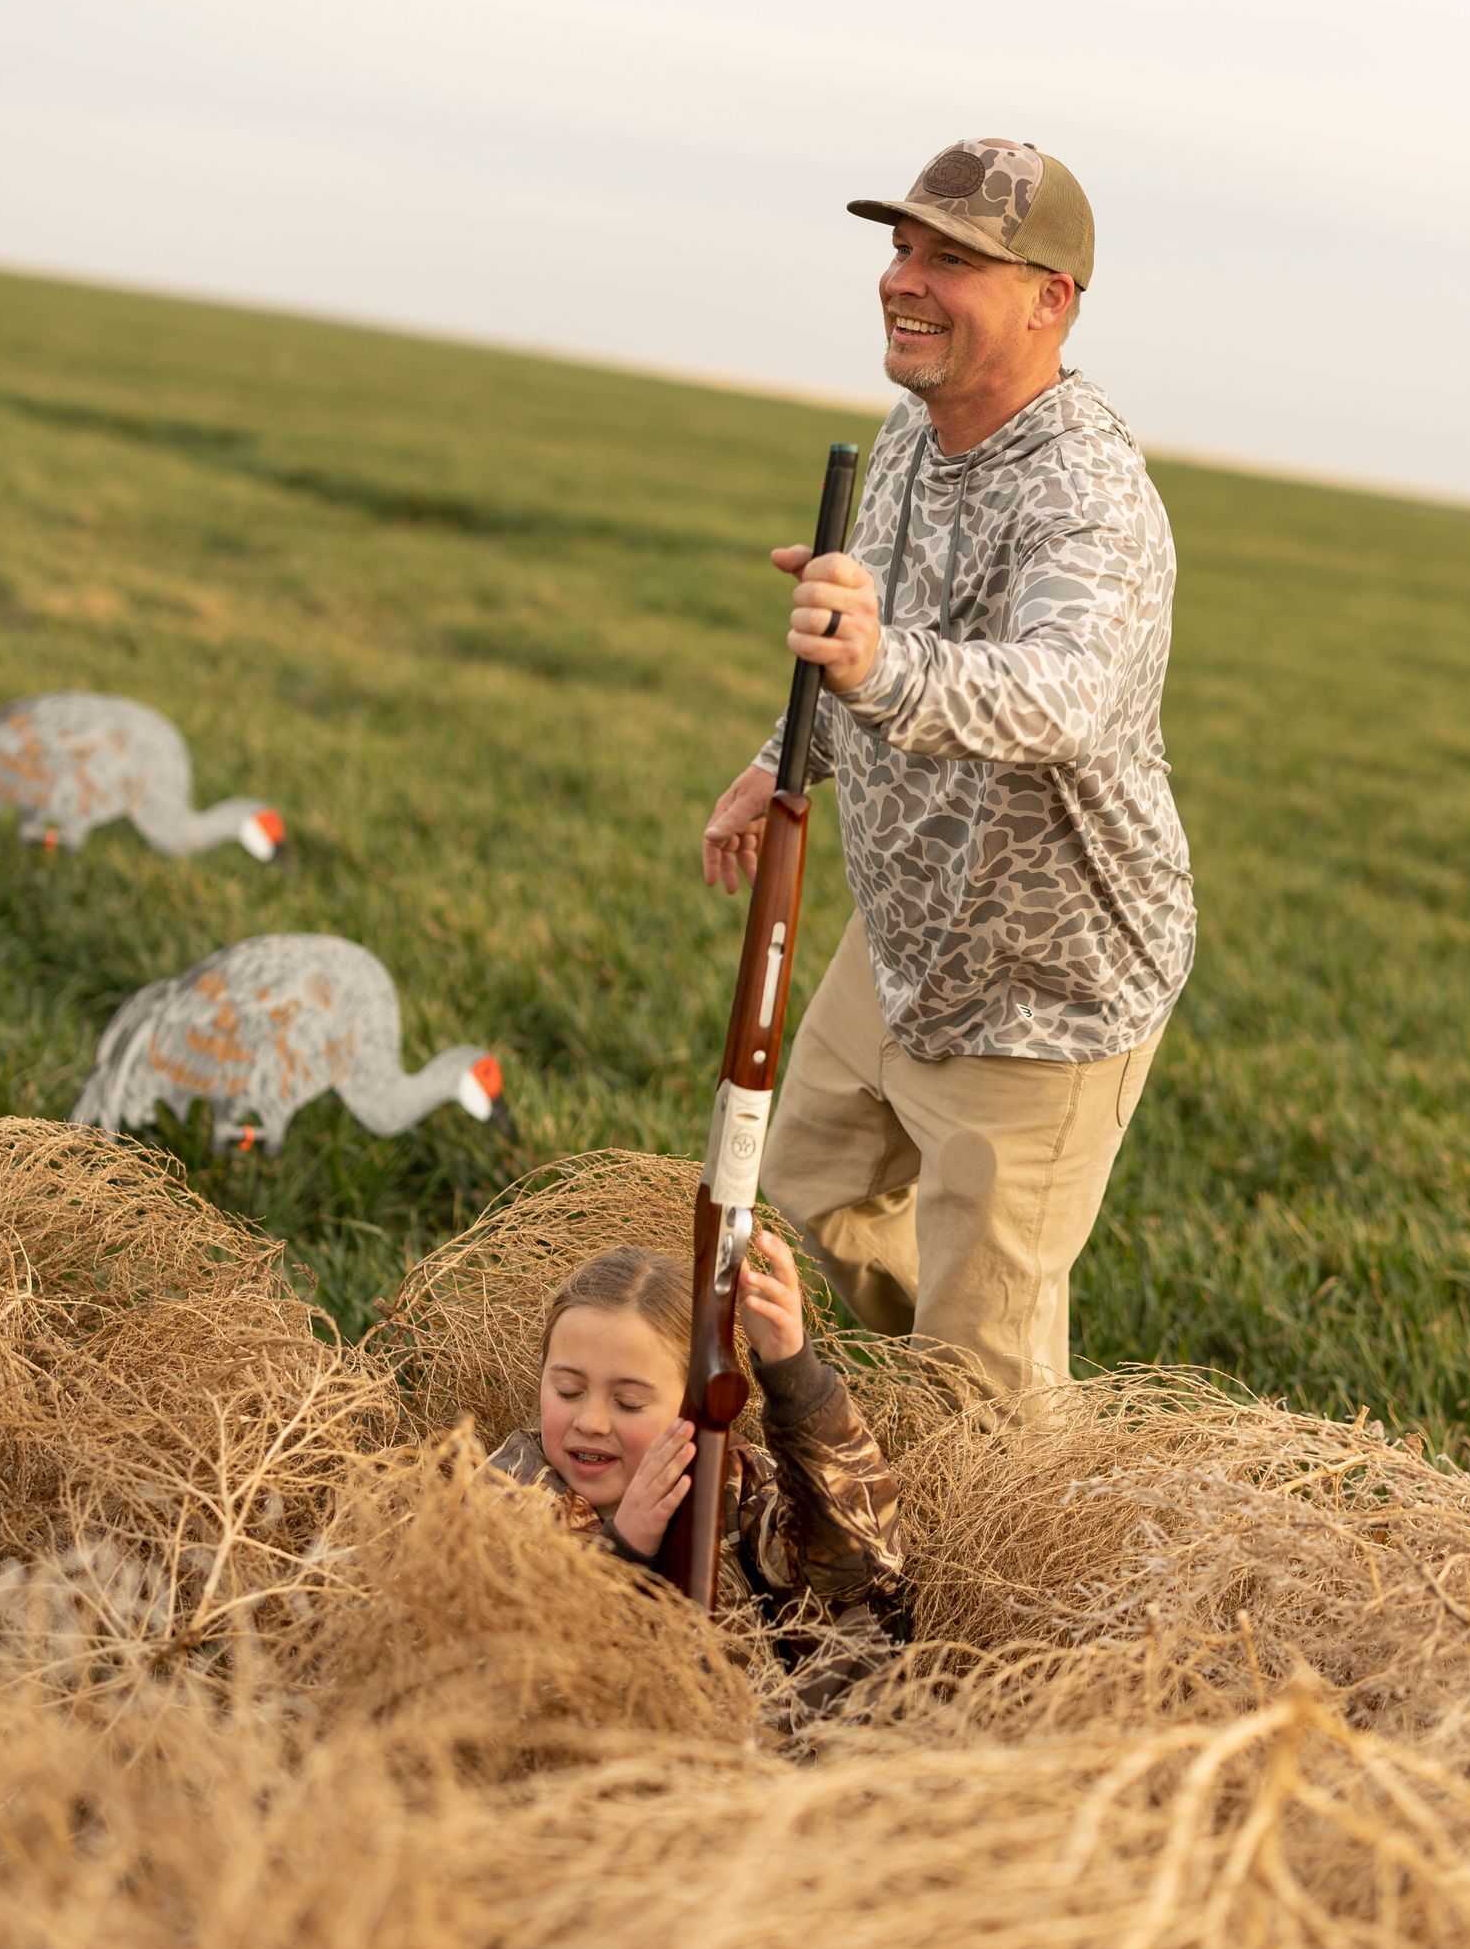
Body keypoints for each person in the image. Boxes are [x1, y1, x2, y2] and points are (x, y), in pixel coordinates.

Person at [703, 137, 1194, 1396]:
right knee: (804, 1192)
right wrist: (781, 756)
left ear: (1050, 299)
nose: (905, 279)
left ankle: (1025, 1501)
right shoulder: (911, 437)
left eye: (954, 259)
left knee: (992, 1386)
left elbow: (1065, 695)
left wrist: (876, 670)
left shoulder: (1091, 492)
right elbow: (856, 631)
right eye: (902, 247)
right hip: (910, 937)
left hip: (1045, 991)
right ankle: (965, 1351)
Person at [485, 1226, 903, 1660]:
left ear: (694, 1406)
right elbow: (508, 1657)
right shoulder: (508, 1489)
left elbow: (864, 1570)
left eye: (628, 1403)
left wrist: (795, 1379)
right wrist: (622, 1549)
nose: (590, 1422)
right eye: (568, 1391)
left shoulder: (737, 1484)